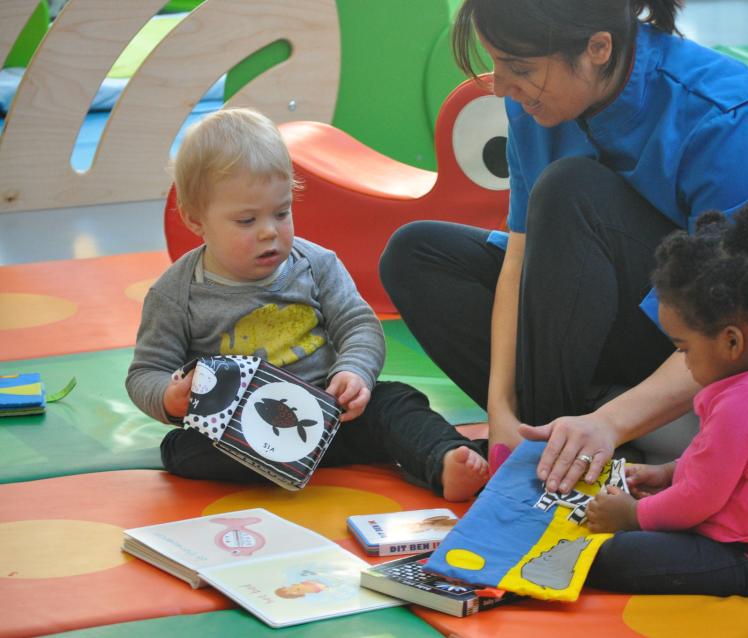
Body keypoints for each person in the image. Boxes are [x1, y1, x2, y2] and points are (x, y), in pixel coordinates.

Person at [379, 0, 748, 492]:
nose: (500, 85)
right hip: (627, 307)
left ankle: (569, 437)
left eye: (519, 68)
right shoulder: (535, 102)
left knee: (571, 191)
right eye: (497, 63)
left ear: (597, 48)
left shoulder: (728, 116)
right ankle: (559, 430)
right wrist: (500, 411)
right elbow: (520, 258)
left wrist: (608, 423)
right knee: (416, 254)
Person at [126, 107, 488, 502]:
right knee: (182, 450)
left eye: (281, 213)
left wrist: (355, 373)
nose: (269, 232)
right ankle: (283, 464)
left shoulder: (316, 264)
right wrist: (168, 397)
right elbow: (146, 371)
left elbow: (358, 325)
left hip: (335, 417)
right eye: (246, 221)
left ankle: (447, 460)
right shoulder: (176, 294)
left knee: (396, 401)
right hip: (244, 432)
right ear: (196, 220)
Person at [584, 200, 748, 596]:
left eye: (683, 348)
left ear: (731, 341)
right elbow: (725, 457)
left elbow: (699, 499)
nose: (682, 360)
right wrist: (668, 472)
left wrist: (633, 515)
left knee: (615, 557)